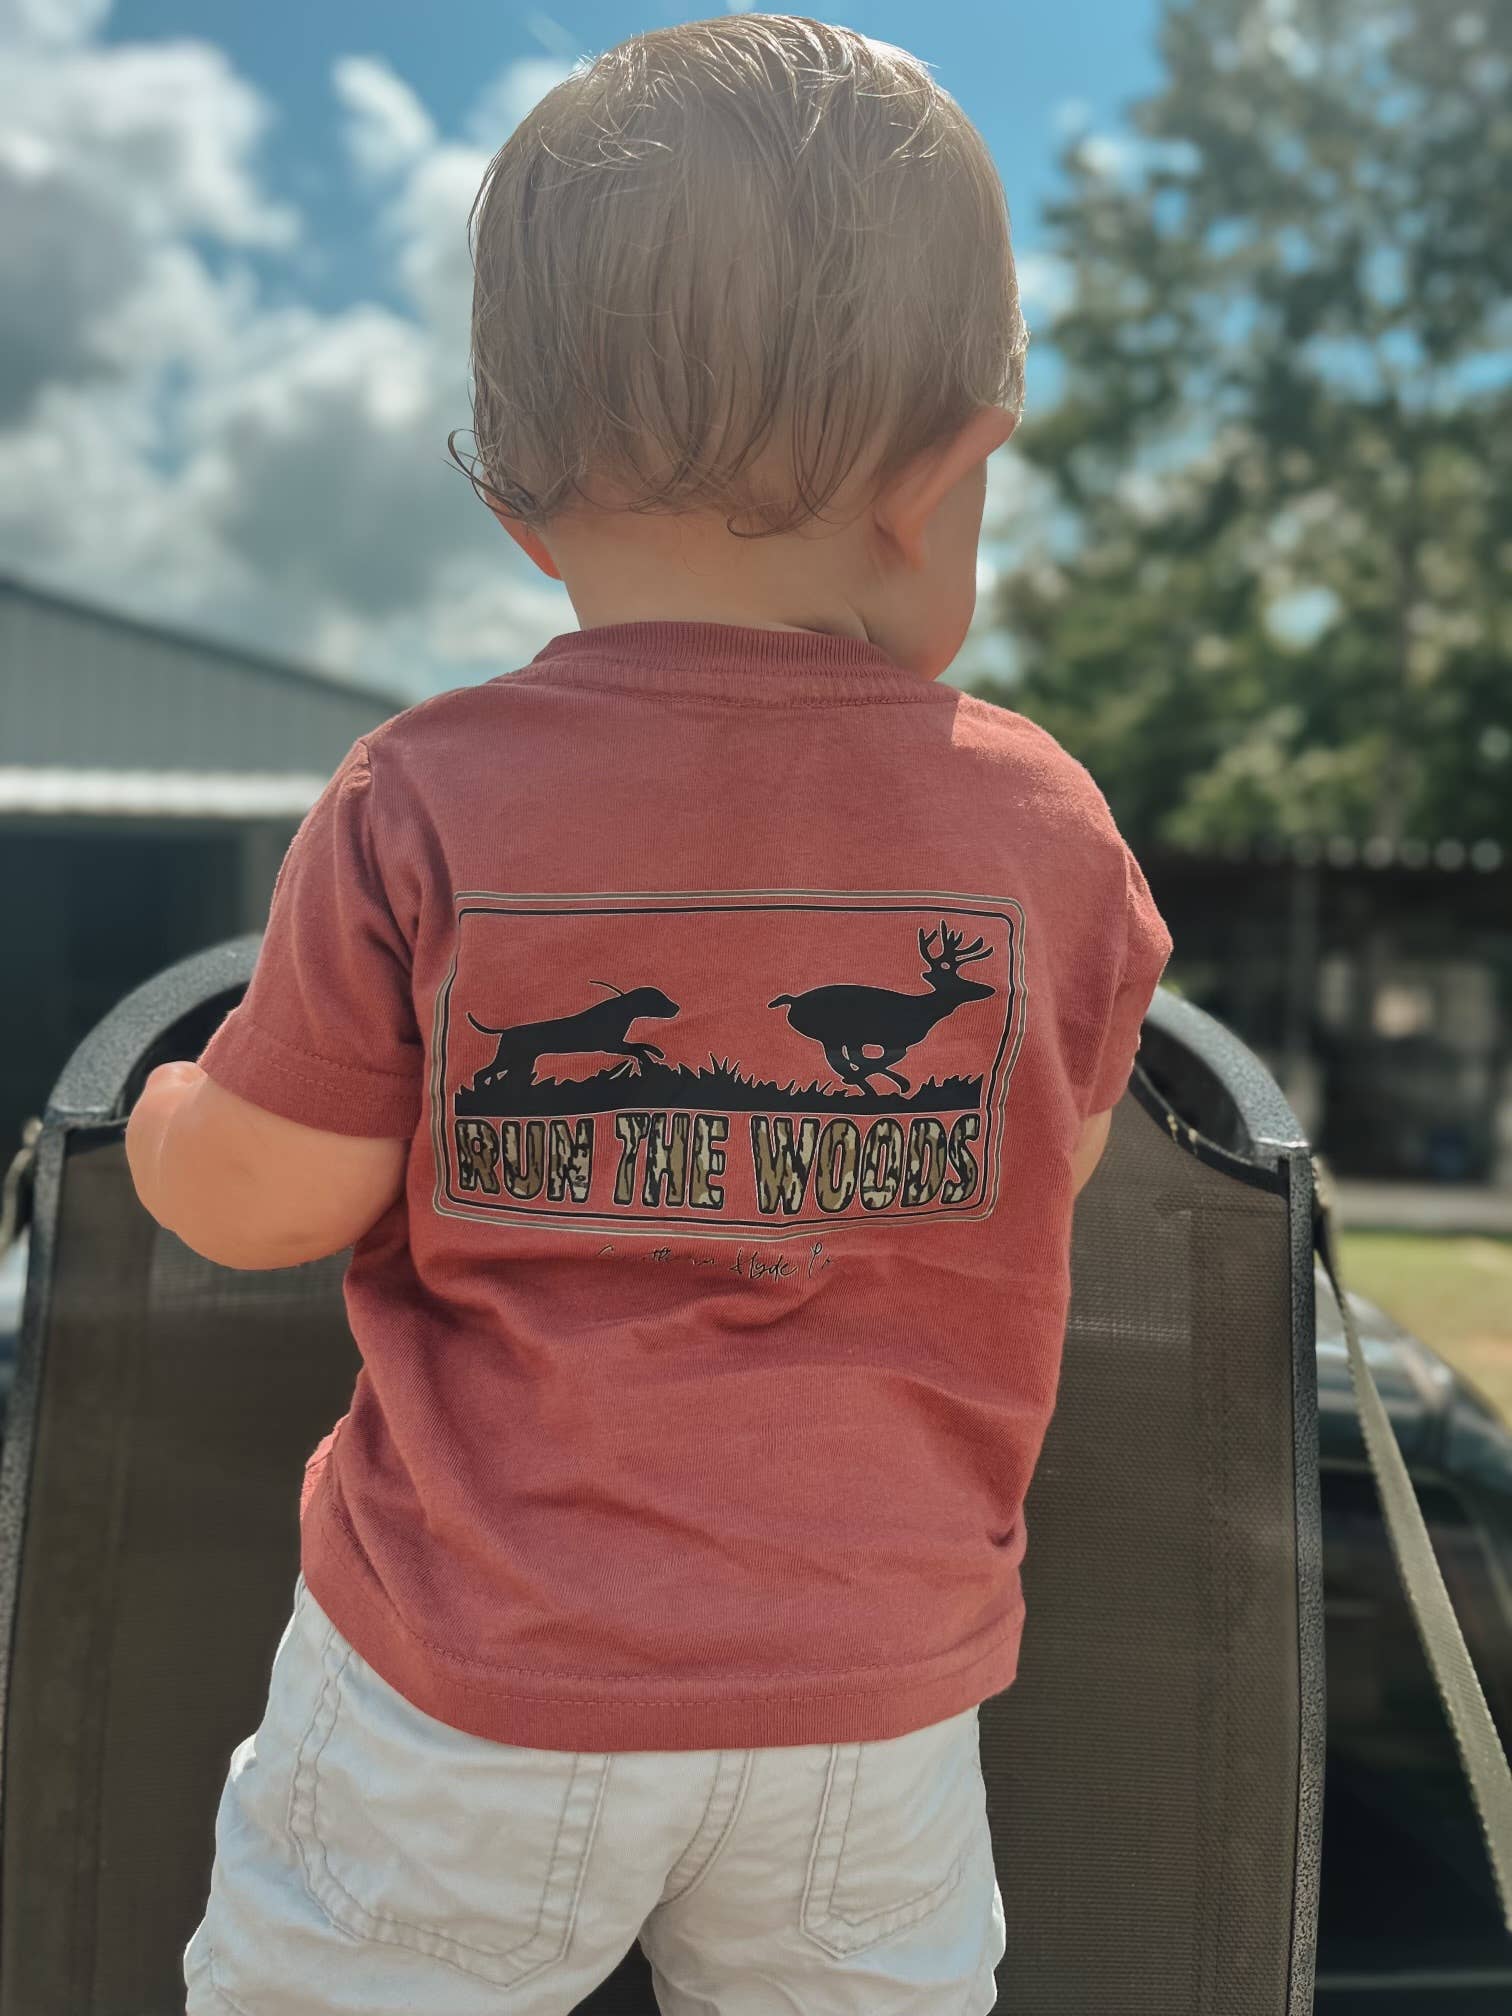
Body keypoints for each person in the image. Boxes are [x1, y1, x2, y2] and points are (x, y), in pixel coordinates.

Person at [126, 17, 1171, 2015]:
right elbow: (1060, 1148)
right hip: (875, 1700)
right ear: (951, 478)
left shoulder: (425, 795)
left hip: (479, 1680)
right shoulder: (1043, 826)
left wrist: (174, 1116)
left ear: (519, 507)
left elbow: (268, 1198)